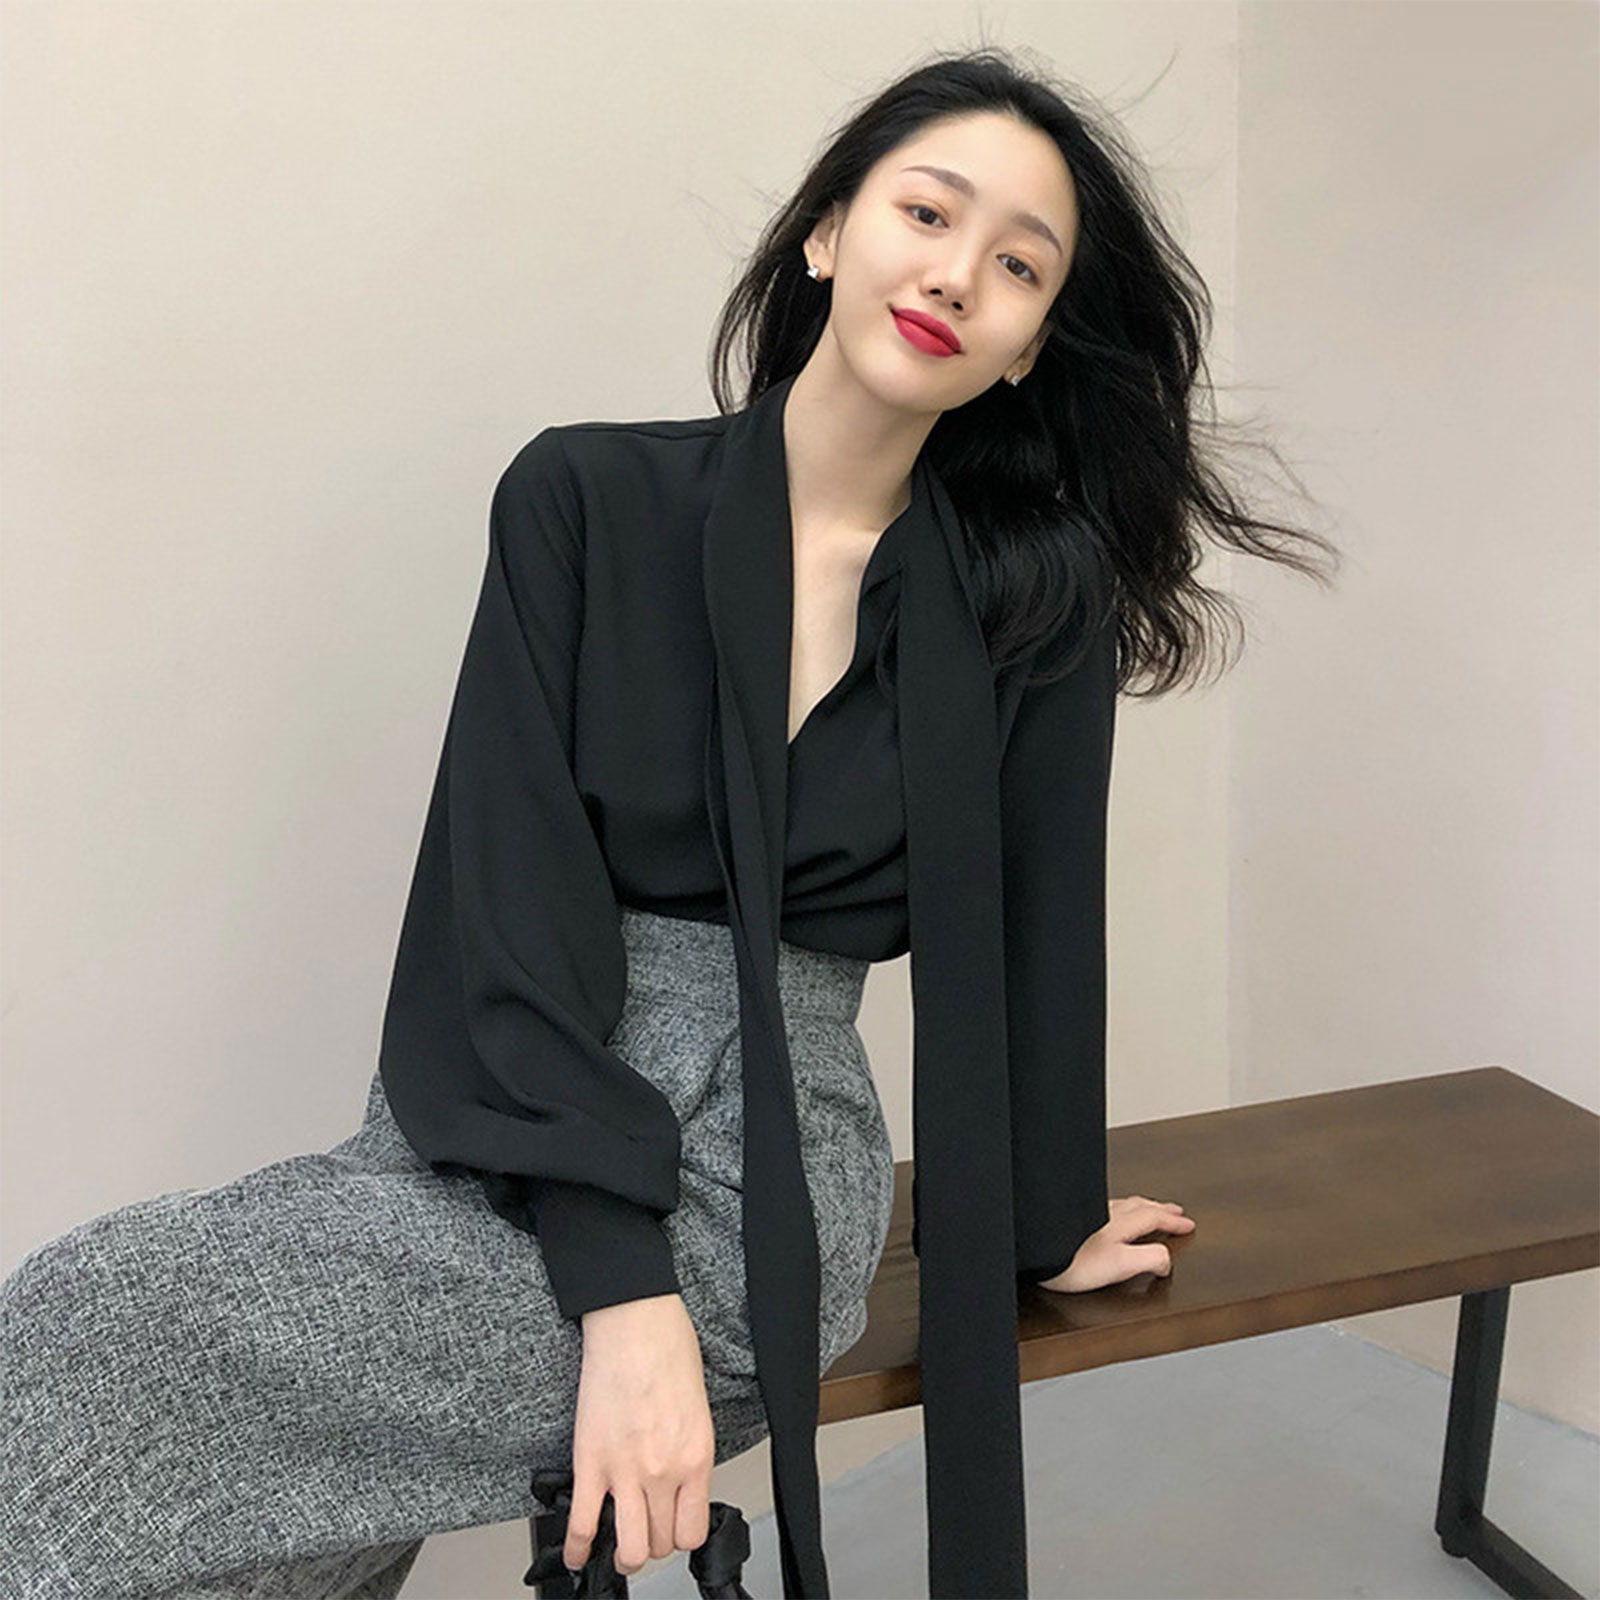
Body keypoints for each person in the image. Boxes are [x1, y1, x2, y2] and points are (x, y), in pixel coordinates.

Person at [0, 44, 1338, 1600]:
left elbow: (1041, 937)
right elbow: (506, 896)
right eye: (927, 214)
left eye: (1019, 265)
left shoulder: (1032, 604)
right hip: (500, 1099)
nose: (957, 275)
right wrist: (615, 1296)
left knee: (95, 1335)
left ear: (1032, 345)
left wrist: (1051, 1223)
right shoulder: (583, 500)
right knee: (132, 1354)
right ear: (828, 232)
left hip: (759, 1184)